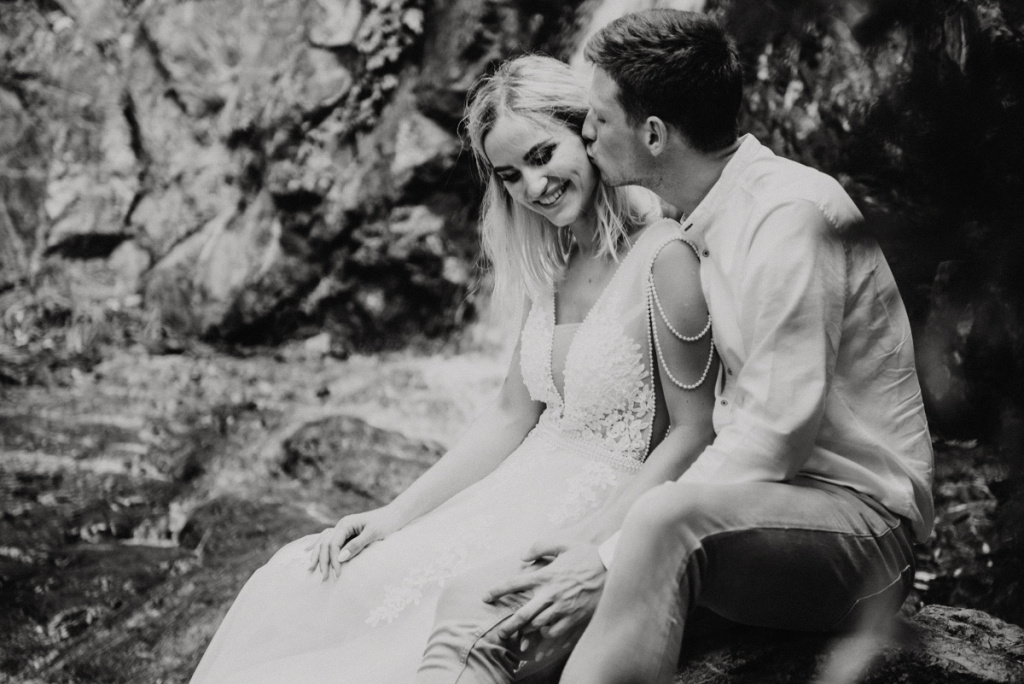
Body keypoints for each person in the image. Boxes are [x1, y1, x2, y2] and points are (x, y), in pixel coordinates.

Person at [417, 10, 935, 684]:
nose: (586, 131)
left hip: (857, 527)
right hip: (740, 523)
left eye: (598, 118)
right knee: (479, 603)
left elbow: (774, 436)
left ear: (654, 134)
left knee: (659, 525)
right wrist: (591, 546)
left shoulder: (788, 216)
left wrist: (606, 556)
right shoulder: (691, 225)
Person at [188, 54, 718, 684]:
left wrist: (601, 545)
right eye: (511, 175)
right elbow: (510, 415)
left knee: (409, 648)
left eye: (543, 155)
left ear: (588, 131)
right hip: (506, 496)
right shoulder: (551, 269)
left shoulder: (665, 257)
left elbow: (694, 429)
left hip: (590, 516)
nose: (534, 187)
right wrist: (395, 515)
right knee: (299, 580)